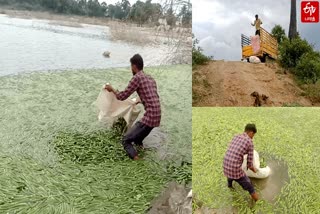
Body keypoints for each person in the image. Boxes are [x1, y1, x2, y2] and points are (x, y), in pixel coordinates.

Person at [105, 54, 161, 160]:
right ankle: (141, 152)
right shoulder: (150, 78)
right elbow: (153, 96)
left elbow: (122, 96)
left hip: (150, 117)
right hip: (157, 116)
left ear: (134, 66)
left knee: (125, 140)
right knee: (137, 140)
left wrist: (112, 89)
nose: (131, 68)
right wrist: (139, 100)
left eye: (131, 66)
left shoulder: (137, 78)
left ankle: (138, 162)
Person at [223, 124, 259, 201]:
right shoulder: (249, 142)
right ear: (251, 132)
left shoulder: (236, 136)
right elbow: (249, 165)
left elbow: (236, 151)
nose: (253, 137)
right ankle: (257, 201)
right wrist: (255, 171)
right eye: (253, 135)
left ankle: (230, 186)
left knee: (230, 174)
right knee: (250, 187)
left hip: (225, 164)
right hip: (234, 169)